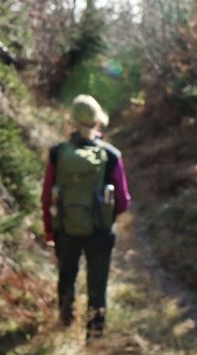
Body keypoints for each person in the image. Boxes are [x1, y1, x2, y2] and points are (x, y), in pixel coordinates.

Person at [42, 95, 131, 338]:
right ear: (97, 122)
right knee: (97, 286)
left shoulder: (57, 153)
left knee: (66, 277)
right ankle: (94, 338)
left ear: (70, 122)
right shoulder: (111, 156)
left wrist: (50, 230)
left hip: (66, 229)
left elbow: (47, 197)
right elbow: (123, 202)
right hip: (100, 232)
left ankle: (64, 327)